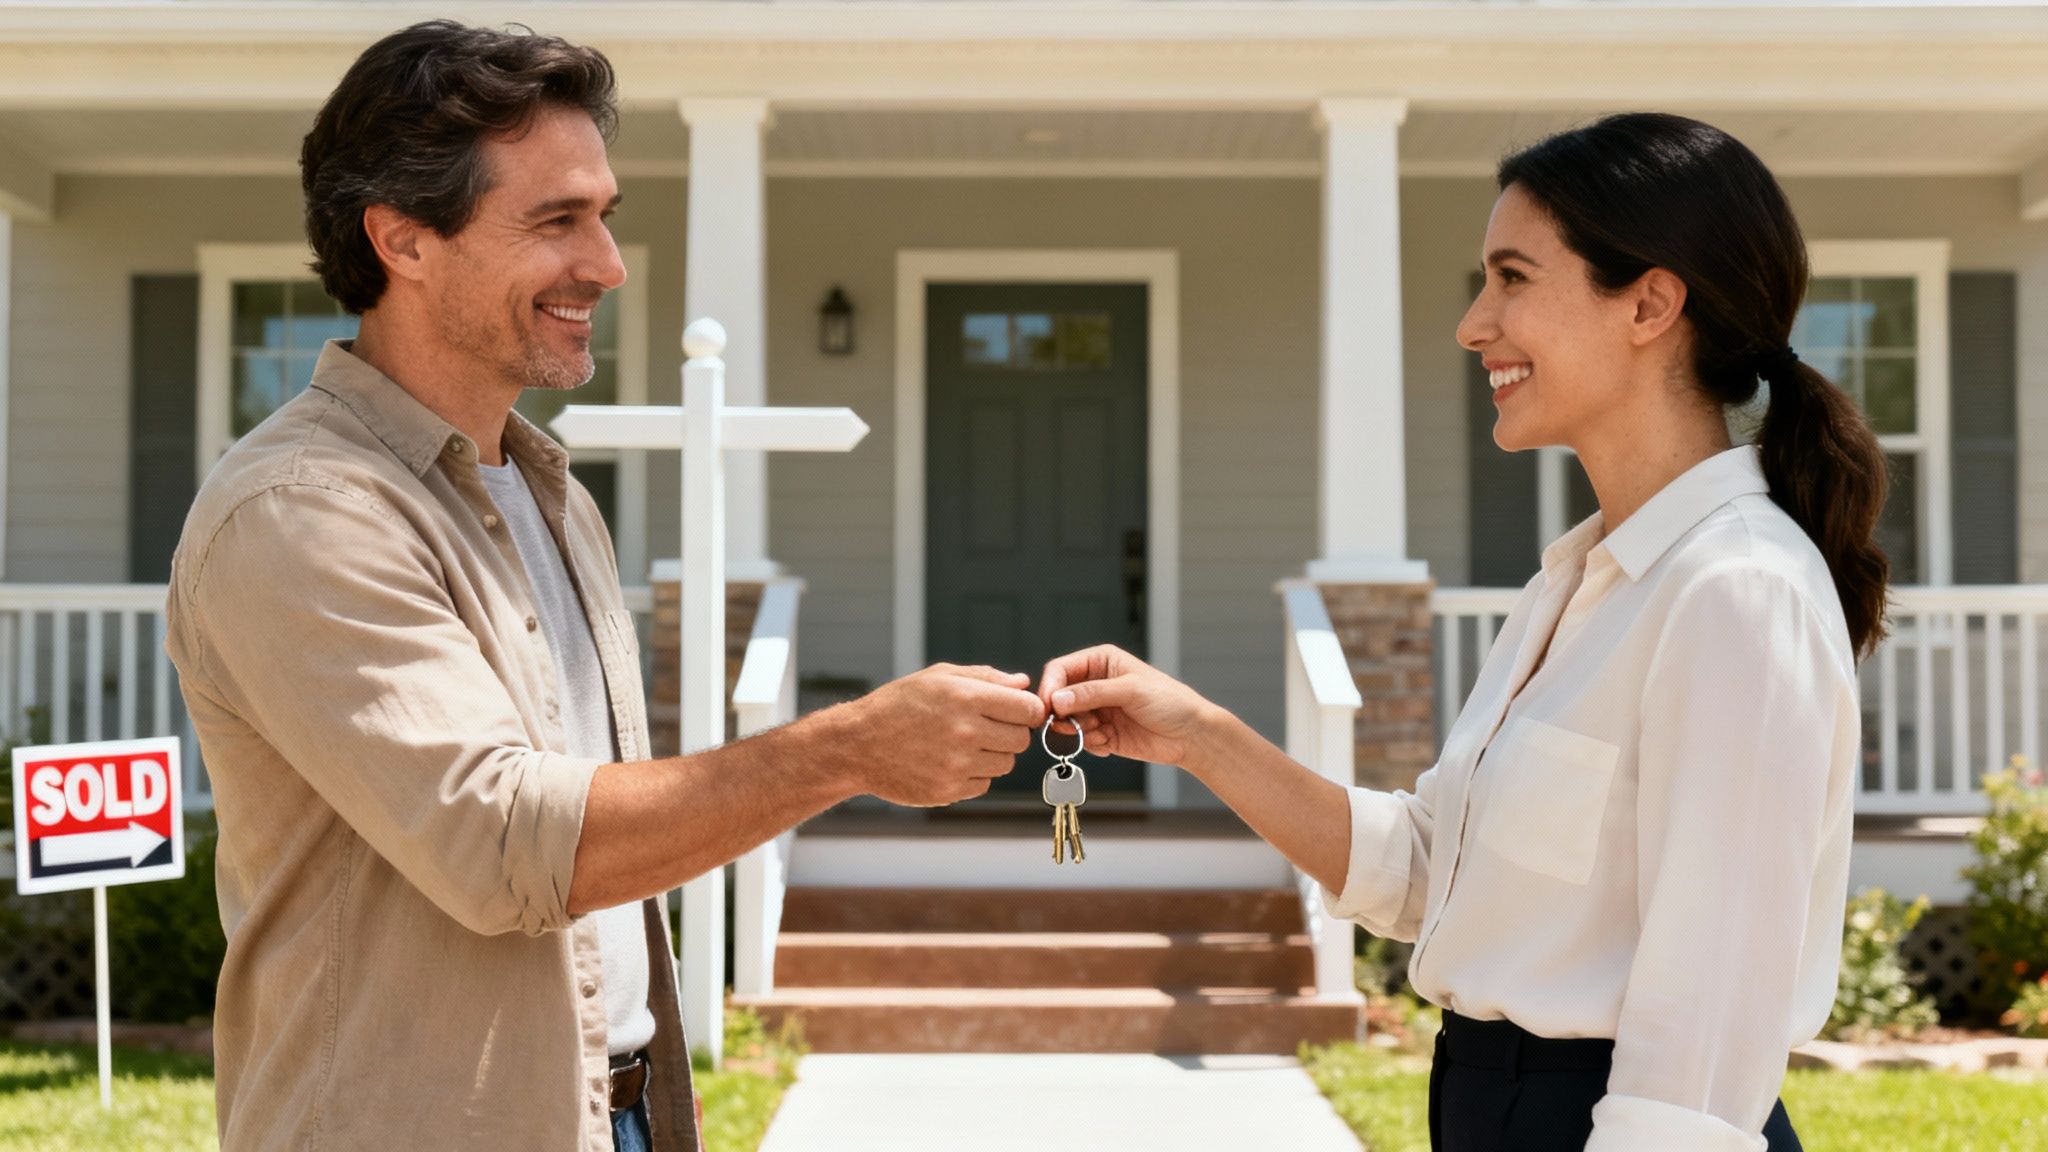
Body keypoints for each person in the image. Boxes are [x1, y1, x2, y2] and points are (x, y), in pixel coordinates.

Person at [164, 21, 1045, 1152]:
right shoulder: (303, 510)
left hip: (604, 1113)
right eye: (555, 221)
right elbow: (504, 847)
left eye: (604, 216)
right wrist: (851, 750)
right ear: (403, 240)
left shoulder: (553, 499)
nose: (606, 265)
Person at [1042, 113, 1889, 1151]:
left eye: (1511, 278)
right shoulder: (1573, 587)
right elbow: (1424, 870)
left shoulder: (1734, 592)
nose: (1471, 323)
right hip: (1491, 1105)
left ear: (1649, 303)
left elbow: (1704, 1036)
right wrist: (1197, 737)